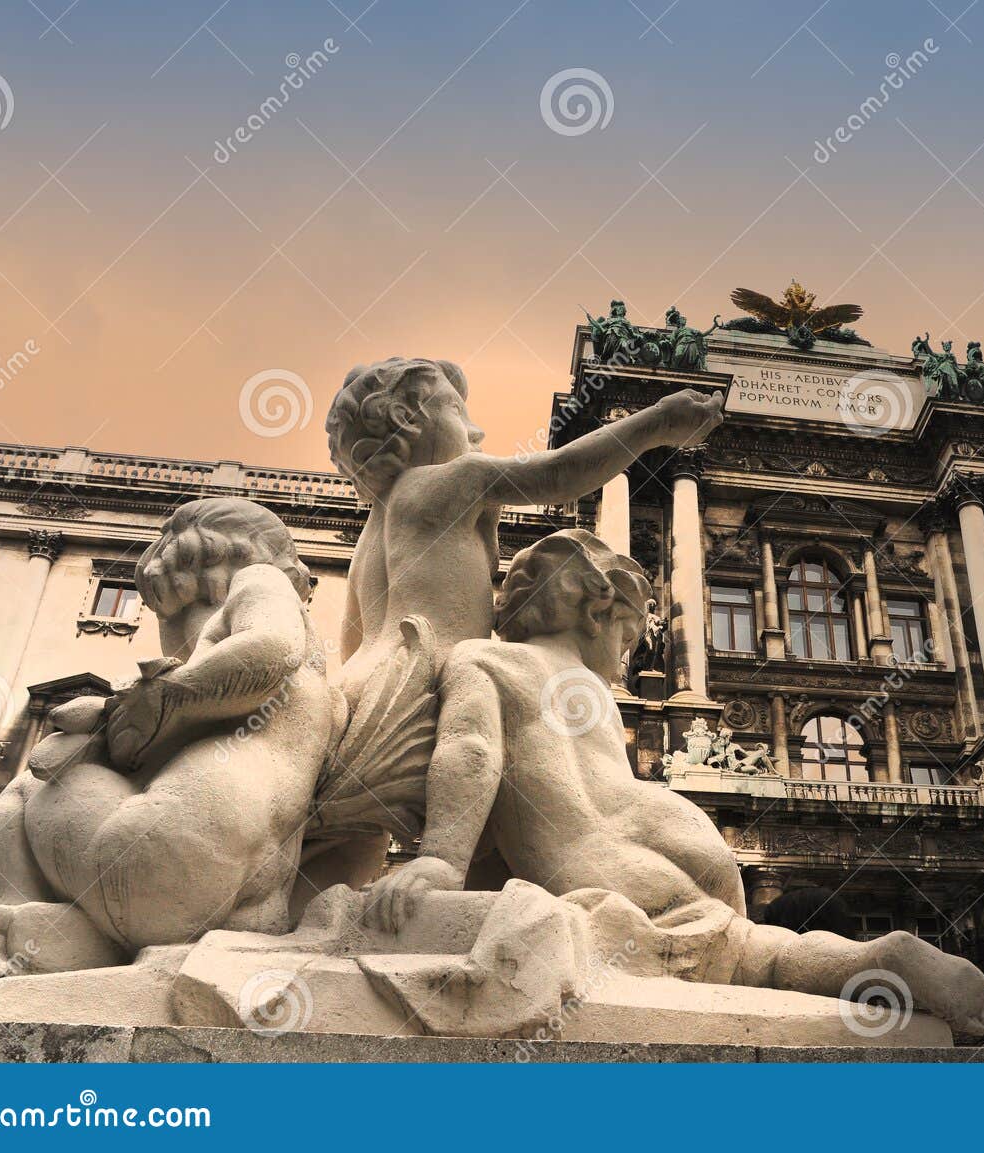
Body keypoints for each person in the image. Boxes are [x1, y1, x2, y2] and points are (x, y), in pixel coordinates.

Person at [360, 529, 984, 1036]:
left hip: (602, 875)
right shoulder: (595, 699)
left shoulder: (484, 659)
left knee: (748, 960)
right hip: (681, 836)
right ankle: (879, 955)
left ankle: (875, 959)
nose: (626, 656)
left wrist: (440, 859)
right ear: (594, 613)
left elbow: (473, 753)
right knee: (758, 954)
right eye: (626, 638)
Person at [305, 357, 724, 893]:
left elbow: (352, 633)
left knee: (344, 860)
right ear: (410, 421)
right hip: (438, 688)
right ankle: (441, 862)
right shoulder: (458, 479)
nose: (476, 430)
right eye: (457, 411)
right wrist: (657, 423)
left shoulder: (372, 532)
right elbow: (558, 473)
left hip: (364, 694)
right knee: (502, 785)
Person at [0, 499, 338, 983]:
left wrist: (153, 698)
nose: (173, 635)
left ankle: (4, 931)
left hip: (161, 855)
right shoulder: (316, 694)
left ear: (195, 561)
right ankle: (61, 937)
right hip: (247, 895)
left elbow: (270, 649)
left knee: (21, 793)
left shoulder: (258, 582)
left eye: (174, 610)